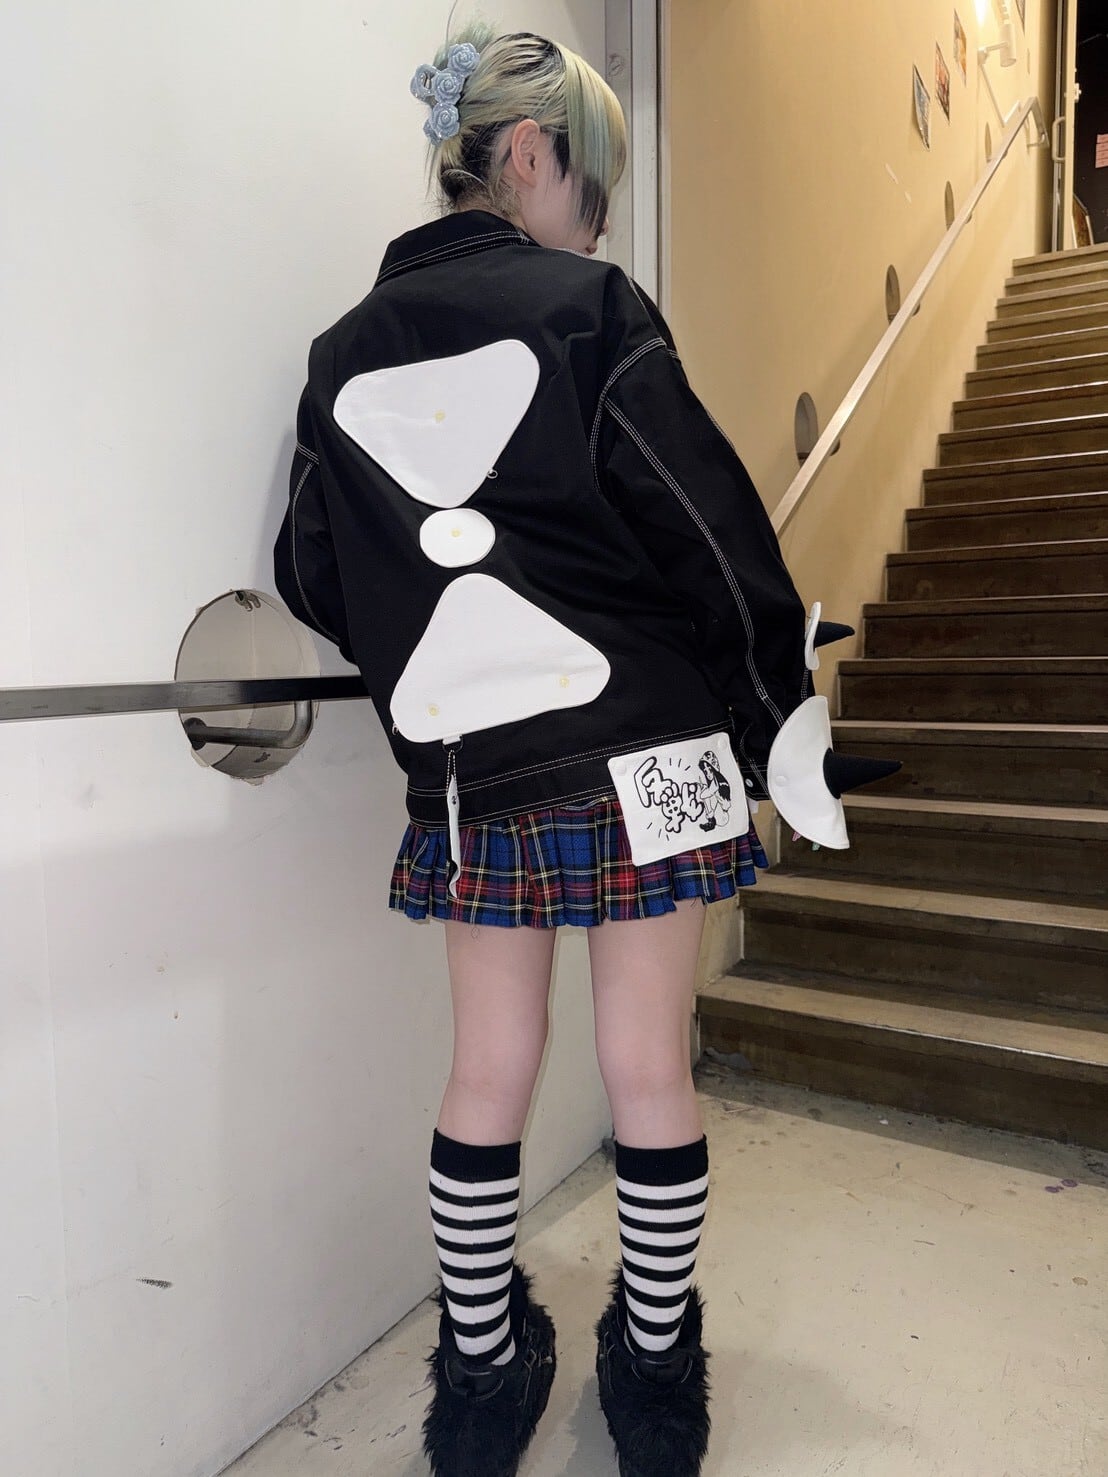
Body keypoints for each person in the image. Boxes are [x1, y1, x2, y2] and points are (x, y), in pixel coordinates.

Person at [273, 21, 892, 1477]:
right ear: (528, 155)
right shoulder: (593, 308)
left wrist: (439, 663)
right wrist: (771, 705)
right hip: (650, 752)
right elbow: (708, 529)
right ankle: (658, 1383)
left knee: (486, 1070)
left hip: (477, 778)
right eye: (591, 187)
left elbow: (310, 569)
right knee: (647, 1067)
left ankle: (481, 1386)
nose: (599, 222)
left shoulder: (338, 354)